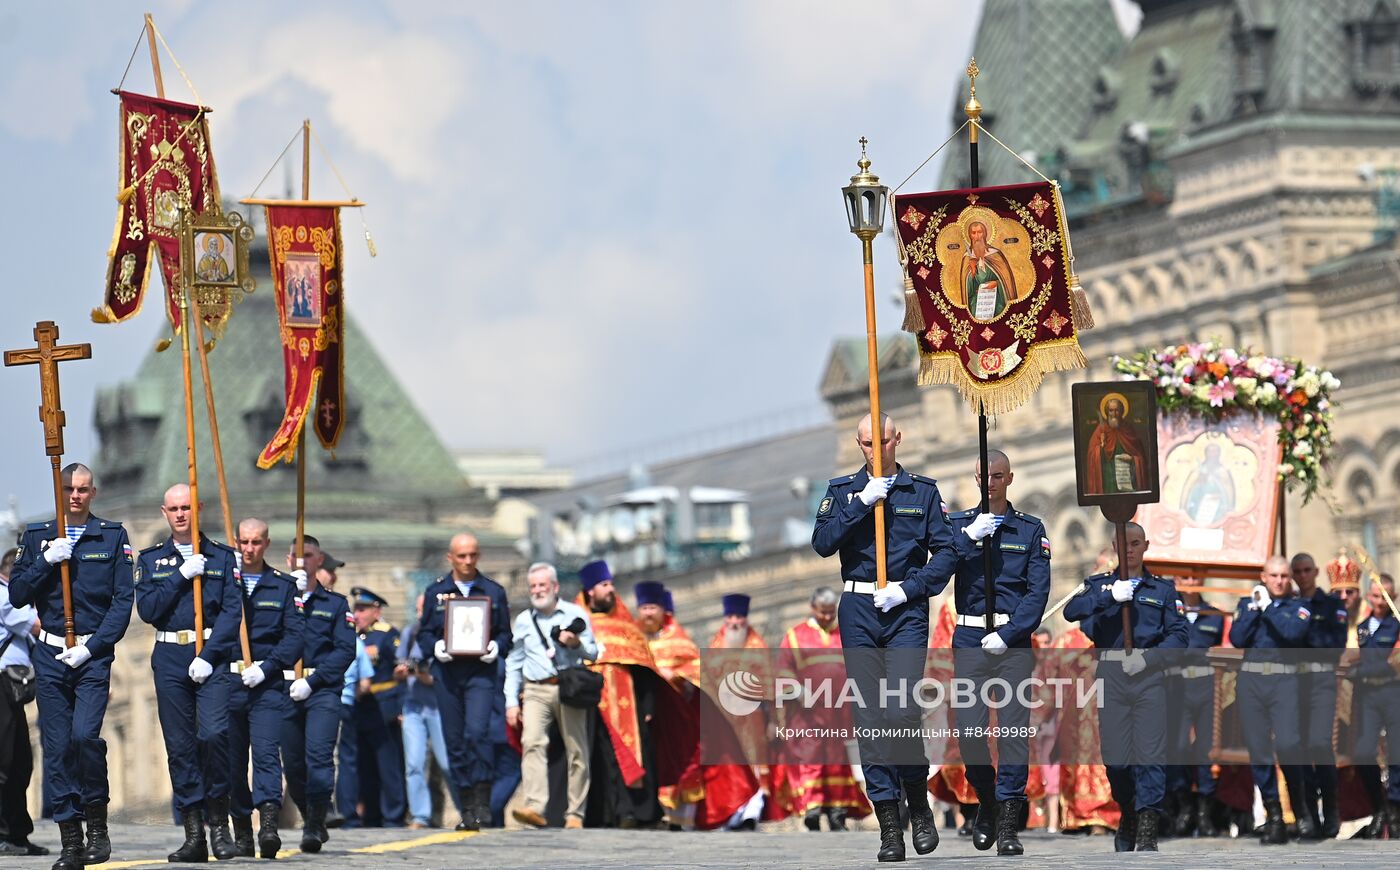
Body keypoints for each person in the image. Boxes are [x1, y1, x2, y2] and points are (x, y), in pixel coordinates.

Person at [812, 413, 995, 862]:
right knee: (871, 717)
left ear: (898, 439)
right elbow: (822, 542)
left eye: (882, 442)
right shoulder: (842, 491)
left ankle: (917, 797)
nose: (875, 451)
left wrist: (909, 589)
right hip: (858, 607)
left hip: (904, 609)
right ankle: (890, 825)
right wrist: (859, 503)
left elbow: (948, 551)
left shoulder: (922, 491)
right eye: (867, 444)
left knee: (900, 708)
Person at [898, 449, 1049, 856]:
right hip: (969, 639)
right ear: (977, 477)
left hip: (1011, 642)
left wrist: (1012, 632)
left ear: (1010, 478)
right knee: (969, 733)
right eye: (986, 475)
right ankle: (988, 800)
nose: (992, 482)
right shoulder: (960, 525)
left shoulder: (1030, 530)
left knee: (1015, 733)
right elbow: (939, 570)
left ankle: (1008, 824)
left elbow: (1038, 593)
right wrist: (967, 539)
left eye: (999, 476)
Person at [8, 464, 133, 870]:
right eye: (68, 489)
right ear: (59, 491)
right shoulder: (37, 535)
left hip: (91, 656)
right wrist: (46, 559)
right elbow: (18, 592)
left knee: (84, 739)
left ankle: (96, 820)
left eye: (82, 489)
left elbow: (121, 602)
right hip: (49, 654)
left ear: (92, 492)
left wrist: (94, 647)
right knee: (58, 747)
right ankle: (70, 840)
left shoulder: (112, 536)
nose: (75, 495)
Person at [134, 483, 244, 862]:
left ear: (197, 509)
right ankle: (194, 832)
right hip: (169, 654)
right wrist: (182, 574)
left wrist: (210, 655)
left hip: (209, 655)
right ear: (164, 513)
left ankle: (219, 824)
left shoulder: (222, 557)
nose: (181, 514)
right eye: (174, 509)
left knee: (214, 735)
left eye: (186, 507)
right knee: (180, 747)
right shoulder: (150, 560)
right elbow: (148, 610)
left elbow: (232, 613)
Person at [1064, 522, 1188, 853]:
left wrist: (1150, 658)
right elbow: (1071, 611)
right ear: (1115, 547)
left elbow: (1179, 635)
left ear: (1145, 546)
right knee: (1116, 760)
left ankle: (1147, 825)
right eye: (1124, 543)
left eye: (1135, 543)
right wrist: (1107, 598)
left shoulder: (1163, 590)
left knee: (1150, 754)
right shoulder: (1100, 585)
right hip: (1112, 677)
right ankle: (1129, 809)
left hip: (1148, 678)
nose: (1130, 549)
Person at [415, 534, 510, 831]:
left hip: (480, 673)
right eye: (462, 556)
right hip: (448, 673)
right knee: (454, 740)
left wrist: (496, 646)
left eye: (473, 555)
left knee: (478, 733)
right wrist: (436, 648)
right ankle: (467, 806)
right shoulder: (436, 592)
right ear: (450, 558)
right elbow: (424, 633)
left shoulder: (494, 591)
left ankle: (483, 798)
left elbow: (506, 633)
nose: (468, 562)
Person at [226, 518, 302, 858]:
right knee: (232, 760)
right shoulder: (226, 583)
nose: (249, 548)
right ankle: (241, 826)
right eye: (244, 542)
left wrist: (267, 666)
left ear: (266, 544)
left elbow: (295, 637)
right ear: (236, 542)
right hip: (229, 682)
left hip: (267, 684)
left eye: (256, 542)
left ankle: (268, 824)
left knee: (268, 753)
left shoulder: (283, 586)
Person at [504, 563, 599, 829]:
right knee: (532, 742)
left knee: (576, 750)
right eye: (533, 586)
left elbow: (594, 652)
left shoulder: (574, 613)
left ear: (554, 587)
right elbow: (514, 661)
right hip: (535, 688)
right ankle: (535, 806)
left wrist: (575, 644)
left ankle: (575, 814)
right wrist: (511, 701)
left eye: (542, 585)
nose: (537, 590)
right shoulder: (523, 620)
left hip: (569, 686)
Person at [577, 560, 668, 828]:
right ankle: (603, 813)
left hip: (629, 703)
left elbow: (644, 666)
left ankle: (634, 812)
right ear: (591, 591)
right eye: (605, 585)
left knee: (632, 756)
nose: (611, 589)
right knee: (598, 758)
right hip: (592, 703)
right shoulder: (578, 622)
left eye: (611, 584)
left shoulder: (627, 626)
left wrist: (649, 704)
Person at [1227, 555, 1310, 845]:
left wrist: (1269, 607)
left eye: (1284, 576)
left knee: (1288, 744)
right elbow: (1238, 638)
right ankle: (1274, 814)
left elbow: (1293, 633)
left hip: (1283, 680)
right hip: (1252, 681)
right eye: (1274, 576)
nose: (1279, 581)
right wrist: (1254, 609)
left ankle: (1299, 805)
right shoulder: (1248, 604)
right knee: (1259, 749)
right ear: (1263, 577)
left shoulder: (1298, 606)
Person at [280, 537, 355, 853]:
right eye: (297, 557)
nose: (302, 562)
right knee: (294, 764)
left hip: (321, 689)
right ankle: (311, 812)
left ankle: (314, 823)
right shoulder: (278, 598)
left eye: (308, 557)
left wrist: (315, 680)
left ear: (318, 559)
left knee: (319, 758)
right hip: (284, 687)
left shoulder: (335, 605)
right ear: (288, 560)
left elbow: (345, 650)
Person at [775, 586, 870, 832]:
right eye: (823, 612)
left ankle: (837, 811)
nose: (828, 617)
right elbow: (783, 671)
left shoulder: (846, 635)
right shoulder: (795, 636)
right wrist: (797, 692)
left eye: (831, 612)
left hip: (840, 713)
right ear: (812, 608)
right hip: (808, 714)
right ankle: (812, 808)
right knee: (811, 759)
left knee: (837, 761)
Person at [1290, 551, 1347, 839]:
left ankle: (1332, 808)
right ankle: (1310, 814)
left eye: (1307, 570)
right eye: (1297, 571)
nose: (1302, 576)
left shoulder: (1332, 604)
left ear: (1315, 572)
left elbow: (1335, 644)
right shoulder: (1289, 604)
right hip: (1295, 682)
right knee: (1299, 747)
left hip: (1321, 679)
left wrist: (1302, 635)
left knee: (1319, 743)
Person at [1164, 586, 1225, 838]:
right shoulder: (1169, 610)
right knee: (1177, 746)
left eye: (1194, 575)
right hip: (1177, 685)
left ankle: (1204, 811)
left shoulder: (1214, 615)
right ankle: (1184, 807)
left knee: (1205, 748)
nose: (1189, 580)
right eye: (1184, 575)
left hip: (1205, 685)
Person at [1345, 573, 1400, 838]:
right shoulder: (1363, 627)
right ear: (1369, 597)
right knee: (1363, 751)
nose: (1380, 602)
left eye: (1385, 597)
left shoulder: (1397, 626)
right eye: (1376, 596)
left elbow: (1395, 663)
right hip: (1369, 695)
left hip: (1393, 692)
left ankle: (1395, 808)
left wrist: (1368, 670)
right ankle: (1379, 806)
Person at [349, 587, 408, 827]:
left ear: (376, 611)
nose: (358, 614)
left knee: (388, 763)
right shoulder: (353, 636)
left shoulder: (387, 635)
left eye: (363, 610)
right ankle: (370, 815)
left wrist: (400, 707)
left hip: (384, 706)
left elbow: (402, 671)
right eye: (356, 609)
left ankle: (394, 815)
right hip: (359, 707)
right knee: (364, 763)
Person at [0, 547, 45, 858]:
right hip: (1, 682)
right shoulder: (5, 595)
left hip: (13, 685)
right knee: (3, 762)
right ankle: (4, 833)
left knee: (20, 763)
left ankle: (18, 833)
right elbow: (35, 626)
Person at [397, 593, 453, 829]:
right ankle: (420, 815)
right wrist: (404, 671)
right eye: (419, 607)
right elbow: (398, 667)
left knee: (448, 763)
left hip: (439, 707)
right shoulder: (410, 633)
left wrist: (423, 675)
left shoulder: (446, 635)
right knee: (414, 763)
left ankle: (467, 809)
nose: (422, 612)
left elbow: (440, 679)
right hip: (413, 706)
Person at [1084, 396, 1147, 495]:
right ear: (1106, 412)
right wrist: (1100, 447)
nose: (1114, 414)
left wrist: (1132, 460)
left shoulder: (1128, 429)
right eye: (1111, 410)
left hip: (1126, 476)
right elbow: (1092, 454)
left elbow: (1139, 455)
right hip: (1108, 479)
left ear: (1122, 411)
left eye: (1117, 410)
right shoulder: (1101, 430)